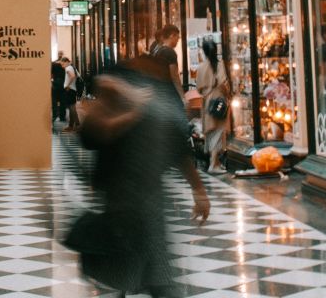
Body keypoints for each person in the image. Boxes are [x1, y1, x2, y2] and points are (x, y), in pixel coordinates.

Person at [72, 61, 210, 298]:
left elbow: (178, 151)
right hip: (121, 202)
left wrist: (199, 191)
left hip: (143, 202)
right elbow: (95, 133)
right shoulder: (115, 111)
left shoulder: (150, 112)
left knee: (152, 271)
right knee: (131, 268)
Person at [194, 36, 230, 172]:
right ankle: (213, 164)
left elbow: (198, 88)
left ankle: (213, 161)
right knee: (218, 130)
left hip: (207, 100)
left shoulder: (201, 67)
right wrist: (228, 95)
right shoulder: (219, 64)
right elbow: (223, 82)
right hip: (218, 99)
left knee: (210, 130)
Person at [149, 24, 183, 97]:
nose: (178, 39)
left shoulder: (157, 50)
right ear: (172, 36)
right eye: (177, 36)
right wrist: (182, 97)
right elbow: (175, 77)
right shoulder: (170, 52)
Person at [61, 55, 81, 131]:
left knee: (72, 108)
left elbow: (72, 76)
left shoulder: (68, 68)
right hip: (73, 90)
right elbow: (77, 76)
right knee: (71, 107)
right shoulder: (73, 68)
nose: (62, 66)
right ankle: (71, 125)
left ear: (66, 62)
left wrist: (68, 86)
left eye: (62, 64)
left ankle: (78, 125)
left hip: (70, 90)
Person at [51, 55, 68, 128]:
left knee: (54, 100)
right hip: (63, 83)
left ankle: (55, 115)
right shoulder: (64, 66)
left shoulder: (54, 65)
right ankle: (62, 116)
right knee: (63, 100)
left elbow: (51, 74)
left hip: (55, 83)